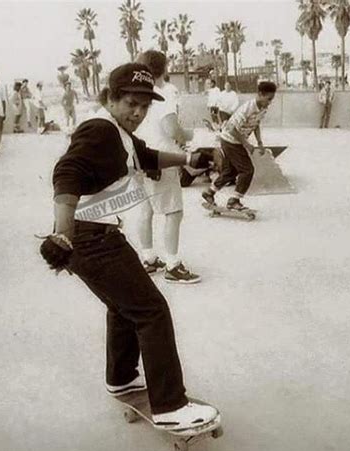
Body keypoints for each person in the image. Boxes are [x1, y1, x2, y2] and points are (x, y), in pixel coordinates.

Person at [39, 62, 218, 431]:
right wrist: (62, 234)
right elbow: (67, 171)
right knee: (152, 310)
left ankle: (120, 377)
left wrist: (188, 158)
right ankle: (170, 406)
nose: (138, 112)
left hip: (97, 235)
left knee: (123, 306)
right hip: (89, 238)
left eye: (144, 106)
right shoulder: (99, 130)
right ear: (110, 98)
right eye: (130, 103)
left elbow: (146, 156)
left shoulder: (117, 132)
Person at [135, 50, 200, 284]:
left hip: (139, 159)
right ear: (165, 69)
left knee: (146, 210)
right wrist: (189, 135)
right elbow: (173, 130)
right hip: (162, 159)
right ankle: (173, 265)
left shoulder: (138, 95)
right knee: (174, 211)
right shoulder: (163, 95)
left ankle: (149, 258)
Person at [202, 81, 277, 211]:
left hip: (233, 141)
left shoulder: (262, 109)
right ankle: (234, 200)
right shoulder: (248, 108)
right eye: (268, 99)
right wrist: (246, 144)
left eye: (272, 99)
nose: (269, 102)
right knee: (247, 170)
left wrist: (259, 142)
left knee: (230, 171)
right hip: (230, 140)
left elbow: (256, 124)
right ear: (260, 94)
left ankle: (209, 192)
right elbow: (232, 129)